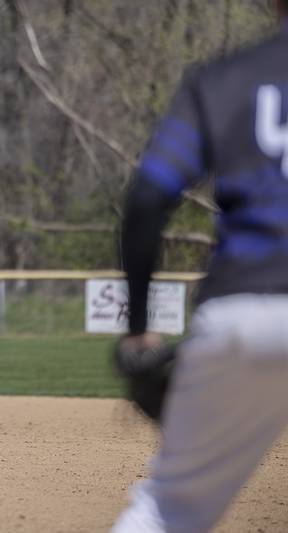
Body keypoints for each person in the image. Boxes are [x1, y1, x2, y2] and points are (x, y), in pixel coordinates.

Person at [113, 2, 288, 531]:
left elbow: (146, 201)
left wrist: (138, 332)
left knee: (170, 508)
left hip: (247, 302)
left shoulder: (227, 78)